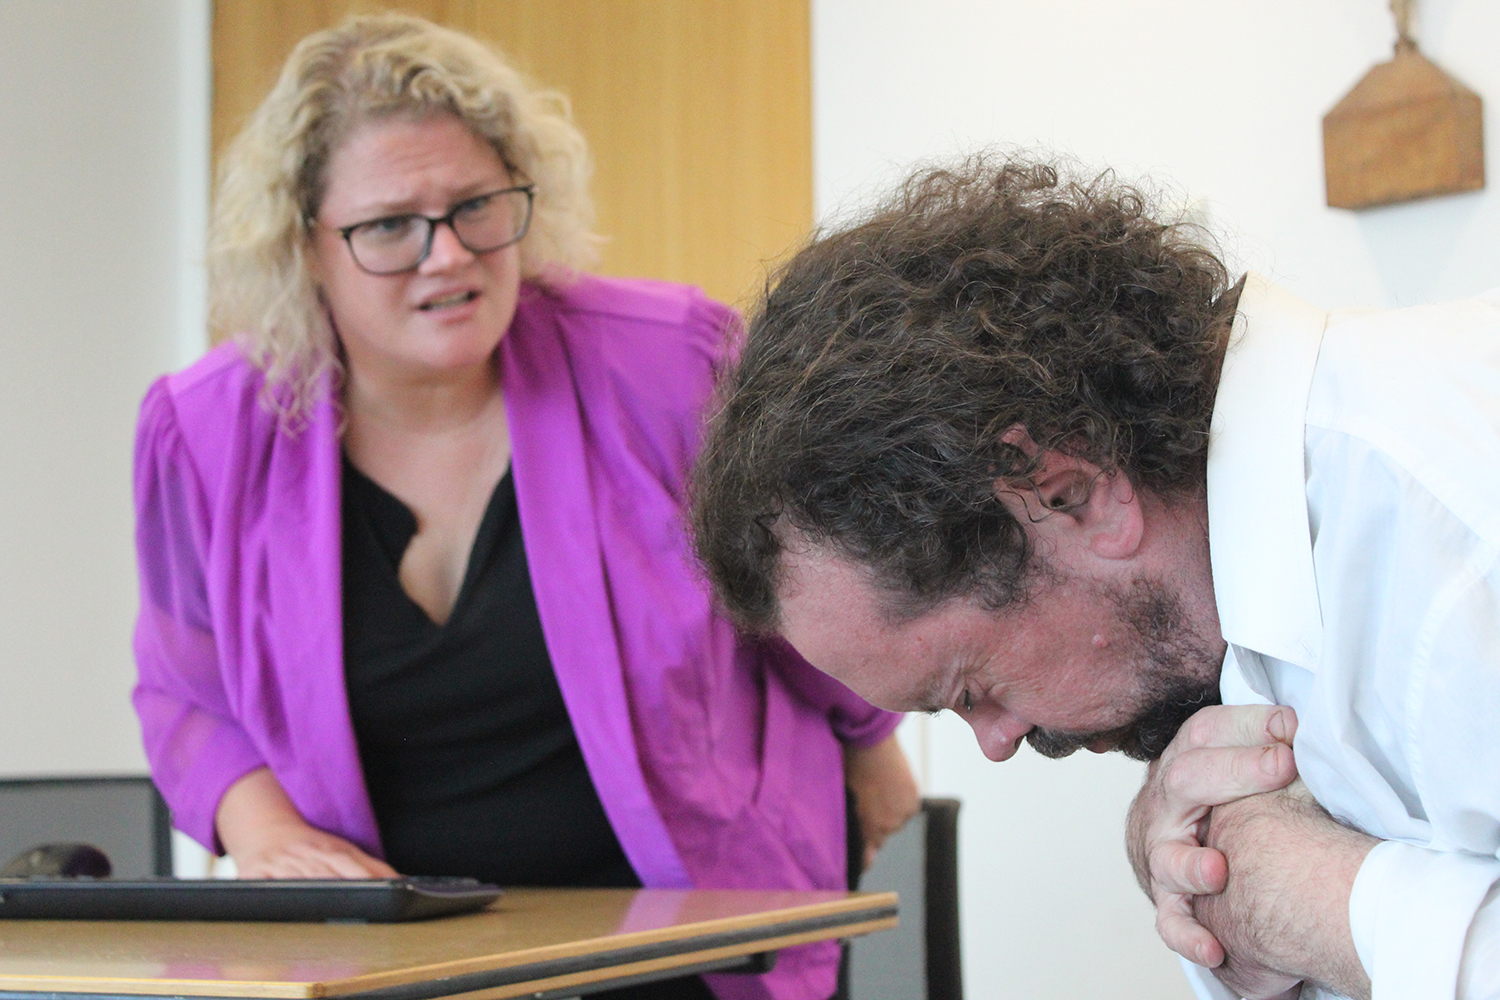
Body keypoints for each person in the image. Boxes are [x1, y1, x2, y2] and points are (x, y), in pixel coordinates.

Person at [131, 15, 917, 1000]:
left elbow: (802, 581)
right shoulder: (206, 433)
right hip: (401, 962)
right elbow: (185, 689)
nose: (447, 255)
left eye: (474, 207)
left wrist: (871, 739)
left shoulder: (668, 361)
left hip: (694, 938)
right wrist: (267, 832)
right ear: (306, 247)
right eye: (389, 226)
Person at [689, 154, 1500, 1000]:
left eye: (969, 687)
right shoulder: (1227, 599)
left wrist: (1318, 903)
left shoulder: (1450, 531)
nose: (997, 741)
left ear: (1071, 493)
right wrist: (1167, 839)